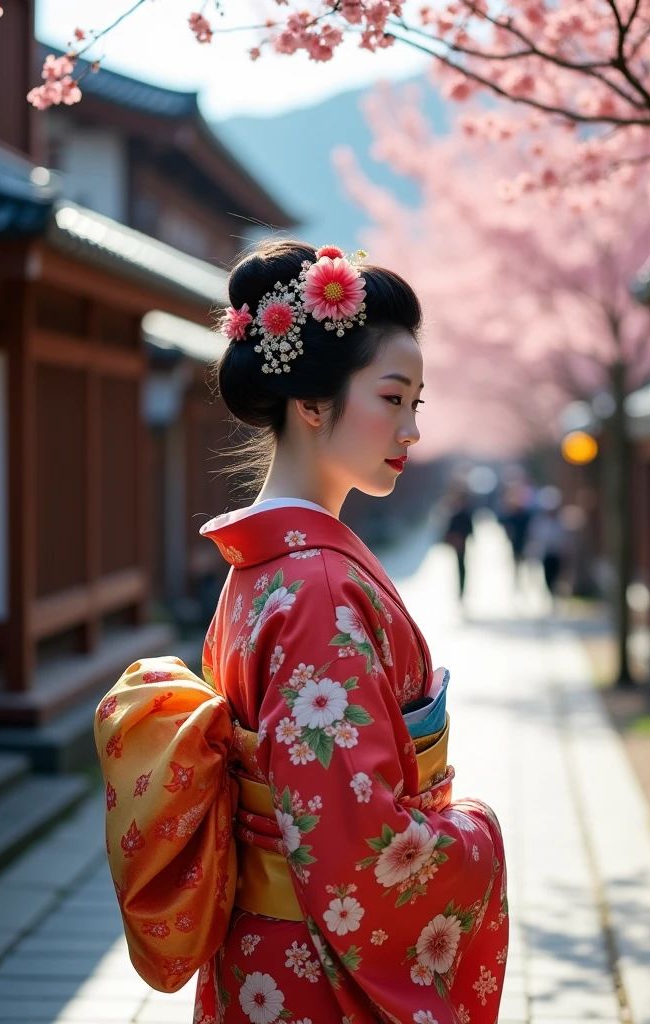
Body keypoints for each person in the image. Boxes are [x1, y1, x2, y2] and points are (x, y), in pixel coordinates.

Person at [94, 240, 508, 1024]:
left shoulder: (262, 567)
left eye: (418, 402)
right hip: (320, 961)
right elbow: (356, 842)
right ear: (311, 404)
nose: (412, 428)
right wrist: (475, 835)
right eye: (393, 398)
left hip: (266, 950)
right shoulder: (317, 586)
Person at [527, 486, 568, 609]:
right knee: (547, 576)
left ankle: (555, 596)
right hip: (545, 553)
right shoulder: (540, 521)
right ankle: (551, 596)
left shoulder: (560, 522)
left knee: (556, 576)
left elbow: (563, 539)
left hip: (557, 553)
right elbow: (535, 537)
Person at [496, 482, 533, 590]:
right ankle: (518, 582)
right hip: (516, 542)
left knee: (526, 562)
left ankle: (525, 582)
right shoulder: (512, 515)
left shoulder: (526, 515)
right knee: (517, 562)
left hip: (525, 541)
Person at [442, 483, 474, 601]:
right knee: (460, 565)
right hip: (458, 541)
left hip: (462, 541)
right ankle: (460, 590)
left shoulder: (463, 512)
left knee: (461, 565)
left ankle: (461, 590)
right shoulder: (455, 511)